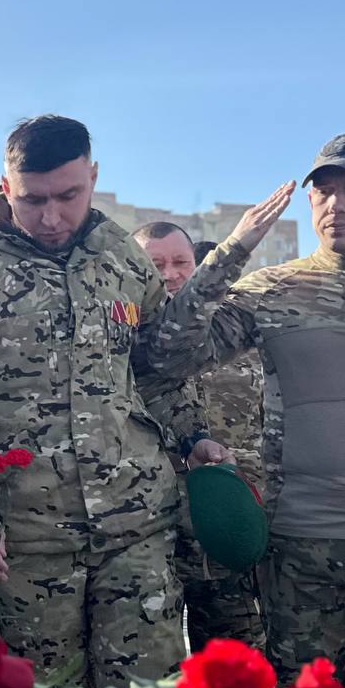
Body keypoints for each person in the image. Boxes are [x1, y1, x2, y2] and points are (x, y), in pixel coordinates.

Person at [0, 115, 229, 688]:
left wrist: (193, 435)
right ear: (6, 187)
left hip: (137, 527)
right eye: (33, 200)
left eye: (69, 195)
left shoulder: (123, 258)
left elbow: (155, 371)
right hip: (27, 541)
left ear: (94, 177)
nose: (52, 217)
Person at [140, 132, 345, 688]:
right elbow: (164, 357)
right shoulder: (273, 290)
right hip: (300, 546)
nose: (337, 205)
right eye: (324, 192)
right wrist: (230, 253)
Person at [132, 222, 265, 652]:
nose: (169, 275)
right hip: (147, 532)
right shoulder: (113, 340)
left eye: (180, 263)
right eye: (155, 265)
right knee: (151, 664)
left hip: (225, 524)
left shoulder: (238, 336)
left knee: (234, 663)